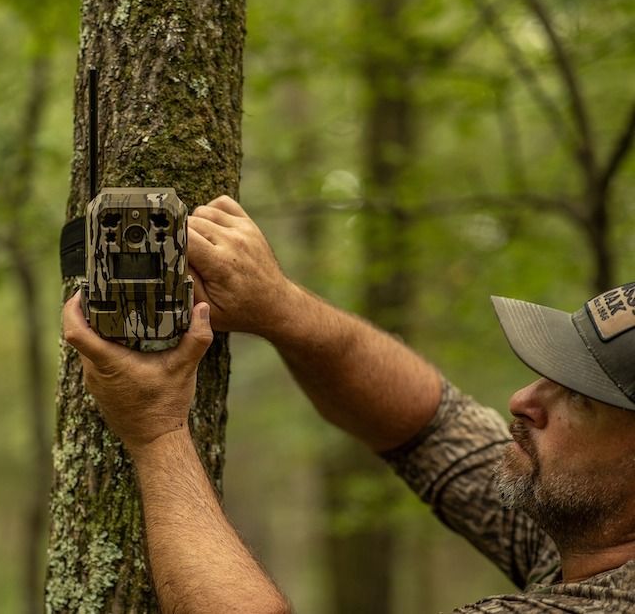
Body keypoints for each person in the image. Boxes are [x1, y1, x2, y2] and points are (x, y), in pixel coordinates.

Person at [61, 195, 635, 613]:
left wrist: (157, 432)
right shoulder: (586, 524)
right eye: (550, 376)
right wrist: (280, 308)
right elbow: (431, 426)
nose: (523, 400)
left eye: (581, 399)